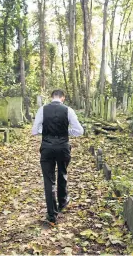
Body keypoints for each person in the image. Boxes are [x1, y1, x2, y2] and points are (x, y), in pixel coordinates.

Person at [32, 90, 84, 225]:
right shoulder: (68, 110)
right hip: (63, 147)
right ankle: (62, 202)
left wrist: (46, 132)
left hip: (47, 148)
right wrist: (65, 131)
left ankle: (52, 214)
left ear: (51, 97)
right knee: (62, 173)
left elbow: (34, 130)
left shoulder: (42, 109)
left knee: (48, 180)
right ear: (63, 98)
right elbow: (79, 131)